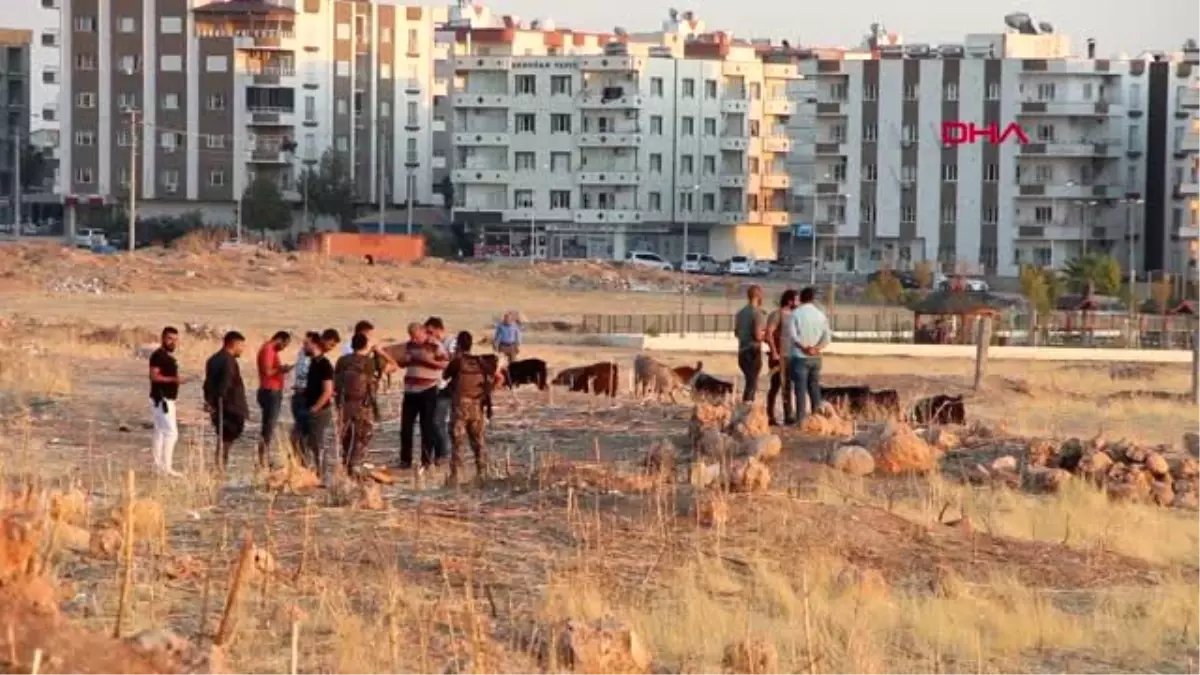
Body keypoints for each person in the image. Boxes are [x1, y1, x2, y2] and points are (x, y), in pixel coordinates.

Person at [441, 331, 496, 487]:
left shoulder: (458, 361)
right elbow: (494, 379)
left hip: (460, 408)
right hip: (477, 406)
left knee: (457, 444)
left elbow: (445, 376)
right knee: (478, 442)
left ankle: (455, 476)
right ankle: (482, 473)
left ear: (458, 344)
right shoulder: (481, 362)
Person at [398, 322, 449, 472]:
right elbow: (402, 363)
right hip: (410, 390)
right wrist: (405, 360)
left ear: (423, 332)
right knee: (405, 427)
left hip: (428, 389)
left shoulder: (435, 345)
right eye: (411, 337)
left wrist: (427, 360)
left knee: (426, 426)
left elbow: (445, 363)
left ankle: (426, 460)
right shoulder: (409, 345)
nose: (414, 339)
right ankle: (405, 460)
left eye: (416, 336)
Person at [203, 331, 249, 474]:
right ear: (233, 344)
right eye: (241, 345)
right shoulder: (228, 361)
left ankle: (220, 466)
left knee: (224, 437)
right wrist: (219, 402)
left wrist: (210, 401)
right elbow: (225, 384)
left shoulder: (213, 359)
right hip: (229, 406)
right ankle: (220, 467)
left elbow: (207, 384)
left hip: (218, 405)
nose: (242, 349)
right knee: (226, 437)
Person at [334, 332, 377, 474]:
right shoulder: (368, 362)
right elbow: (371, 383)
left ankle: (346, 460)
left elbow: (336, 382)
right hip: (362, 404)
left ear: (352, 345)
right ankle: (356, 462)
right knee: (362, 433)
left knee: (346, 433)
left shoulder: (342, 361)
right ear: (365, 345)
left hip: (345, 403)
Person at [788, 286, 832, 427]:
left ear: (801, 298)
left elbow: (793, 336)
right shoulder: (821, 315)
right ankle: (816, 418)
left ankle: (801, 420)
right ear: (813, 299)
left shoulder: (795, 314)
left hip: (800, 357)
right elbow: (827, 338)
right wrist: (816, 348)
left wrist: (803, 347)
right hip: (816, 358)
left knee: (800, 389)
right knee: (814, 388)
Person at [299, 329, 338, 480]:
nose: (303, 346)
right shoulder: (314, 363)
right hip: (311, 407)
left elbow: (328, 391)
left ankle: (322, 475)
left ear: (315, 344)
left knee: (317, 444)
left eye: (306, 344)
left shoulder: (324, 365)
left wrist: (315, 408)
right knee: (302, 440)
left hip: (320, 411)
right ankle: (308, 472)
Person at [148, 326, 186, 477]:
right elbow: (154, 376)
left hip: (163, 398)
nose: (173, 342)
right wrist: (175, 379)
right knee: (171, 433)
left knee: (160, 432)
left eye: (175, 339)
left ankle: (158, 465)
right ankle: (166, 467)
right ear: (163, 338)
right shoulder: (159, 356)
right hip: (163, 399)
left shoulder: (166, 357)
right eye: (170, 338)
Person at [256, 331, 292, 470]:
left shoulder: (270, 350)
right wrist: (281, 369)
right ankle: (262, 459)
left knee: (268, 426)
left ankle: (264, 457)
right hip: (270, 391)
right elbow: (268, 371)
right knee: (268, 427)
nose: (284, 348)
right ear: (279, 339)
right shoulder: (268, 350)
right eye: (284, 344)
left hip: (271, 390)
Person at [765, 289, 799, 426]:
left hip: (791, 356)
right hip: (779, 356)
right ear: (789, 301)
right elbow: (769, 333)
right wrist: (774, 352)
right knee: (775, 386)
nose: (798, 302)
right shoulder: (777, 315)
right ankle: (770, 415)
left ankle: (788, 415)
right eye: (796, 300)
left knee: (787, 387)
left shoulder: (795, 316)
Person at [424, 316, 453, 464]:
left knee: (439, 421)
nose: (428, 335)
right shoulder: (432, 344)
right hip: (432, 386)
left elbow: (453, 362)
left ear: (438, 330)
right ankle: (437, 454)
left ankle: (444, 453)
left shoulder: (450, 343)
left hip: (445, 387)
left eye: (430, 332)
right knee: (433, 421)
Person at [733, 284, 767, 403]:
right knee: (752, 383)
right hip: (752, 352)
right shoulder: (757, 313)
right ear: (758, 296)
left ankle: (746, 406)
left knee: (749, 381)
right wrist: (766, 337)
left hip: (742, 351)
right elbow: (758, 335)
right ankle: (747, 409)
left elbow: (736, 333)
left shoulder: (740, 313)